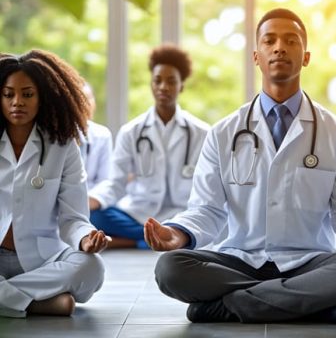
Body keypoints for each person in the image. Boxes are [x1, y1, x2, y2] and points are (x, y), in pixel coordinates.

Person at [143, 8, 336, 325]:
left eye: (290, 41)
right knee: (170, 269)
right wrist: (178, 235)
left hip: (310, 261)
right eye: (269, 40)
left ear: (306, 57)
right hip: (239, 260)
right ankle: (315, 305)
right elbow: (207, 210)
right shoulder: (224, 133)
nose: (279, 47)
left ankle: (225, 306)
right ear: (256, 56)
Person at [0, 50, 108, 318]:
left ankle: (9, 299)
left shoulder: (63, 145)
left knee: (92, 268)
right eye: (8, 94)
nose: (17, 102)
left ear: (42, 98)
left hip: (42, 260)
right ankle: (36, 302)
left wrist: (85, 240)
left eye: (27, 94)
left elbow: (73, 217)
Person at [88, 43, 209, 249]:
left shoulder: (202, 132)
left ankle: (139, 240)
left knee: (211, 222)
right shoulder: (131, 131)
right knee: (95, 216)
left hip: (182, 215)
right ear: (151, 84)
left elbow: (207, 188)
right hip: (138, 214)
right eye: (158, 80)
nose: (163, 87)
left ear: (182, 86)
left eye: (171, 81)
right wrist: (94, 200)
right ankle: (158, 239)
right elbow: (115, 183)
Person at [80, 82, 113, 190]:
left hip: (92, 201)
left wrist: (89, 203)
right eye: (79, 100)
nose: (85, 105)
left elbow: (105, 181)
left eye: (88, 99)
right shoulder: (56, 137)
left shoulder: (102, 135)